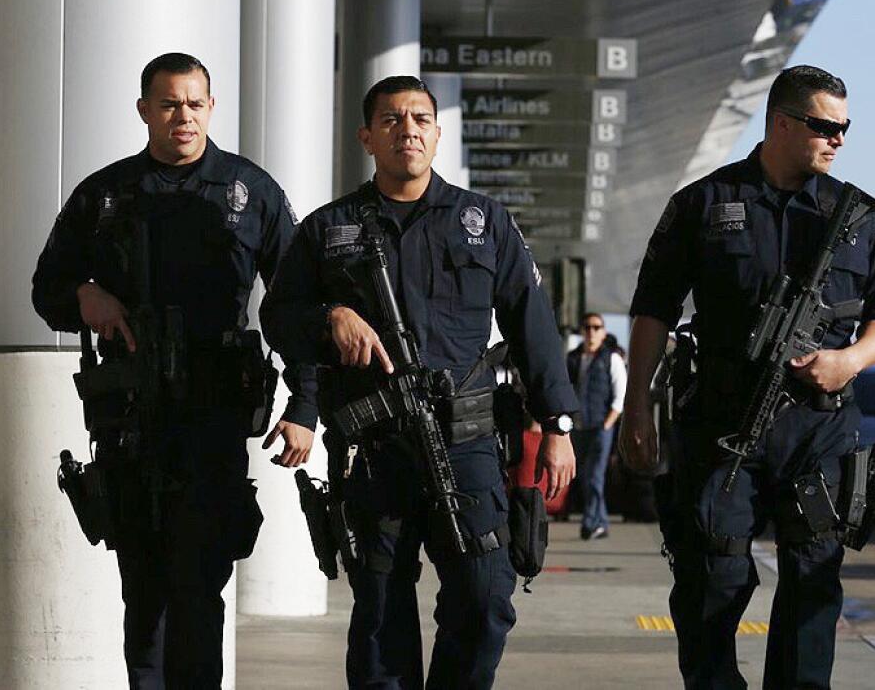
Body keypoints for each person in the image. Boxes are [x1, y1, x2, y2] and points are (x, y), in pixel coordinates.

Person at [264, 75, 578, 689]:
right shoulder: (330, 229)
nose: (406, 129)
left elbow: (532, 324)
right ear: (367, 137)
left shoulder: (483, 222)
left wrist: (558, 424)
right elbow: (277, 317)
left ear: (437, 134)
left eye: (419, 119)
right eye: (391, 120)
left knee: (486, 600)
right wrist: (330, 319)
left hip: (466, 443)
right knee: (381, 615)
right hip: (375, 451)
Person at [620, 65, 875, 689]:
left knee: (811, 581)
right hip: (724, 424)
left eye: (845, 128)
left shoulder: (857, 217)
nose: (837, 139)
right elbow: (652, 310)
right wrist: (637, 408)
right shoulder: (702, 204)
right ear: (781, 123)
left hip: (819, 427)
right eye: (823, 126)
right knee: (710, 580)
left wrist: (849, 361)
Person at [31, 52, 314, 688]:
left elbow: (295, 304)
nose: (182, 115)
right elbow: (44, 286)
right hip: (131, 416)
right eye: (168, 103)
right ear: (144, 111)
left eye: (194, 102)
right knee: (143, 588)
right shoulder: (104, 194)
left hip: (213, 414)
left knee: (199, 585)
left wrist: (305, 404)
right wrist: (84, 296)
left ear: (211, 108)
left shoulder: (251, 192)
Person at [566, 312, 627, 540]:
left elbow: (620, 397)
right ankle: (601, 522)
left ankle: (589, 524)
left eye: (596, 327)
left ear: (603, 331)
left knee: (595, 476)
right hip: (578, 427)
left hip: (601, 426)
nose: (591, 331)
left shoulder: (611, 358)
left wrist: (607, 425)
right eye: (587, 327)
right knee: (585, 477)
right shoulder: (573, 358)